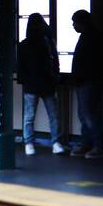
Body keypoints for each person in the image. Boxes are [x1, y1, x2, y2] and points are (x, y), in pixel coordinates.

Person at [68, 9, 103, 159]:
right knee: (87, 114)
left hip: (88, 81)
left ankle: (98, 145)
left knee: (88, 114)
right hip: (91, 81)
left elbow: (90, 62)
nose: (74, 26)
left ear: (82, 23)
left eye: (75, 22)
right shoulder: (95, 36)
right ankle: (90, 143)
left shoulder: (90, 38)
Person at [17, 12, 63, 155]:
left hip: (31, 85)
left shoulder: (24, 44)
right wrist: (55, 76)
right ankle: (56, 142)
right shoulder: (48, 42)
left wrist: (24, 80)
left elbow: (20, 66)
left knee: (29, 116)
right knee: (53, 115)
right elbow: (55, 62)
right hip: (48, 84)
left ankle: (29, 143)